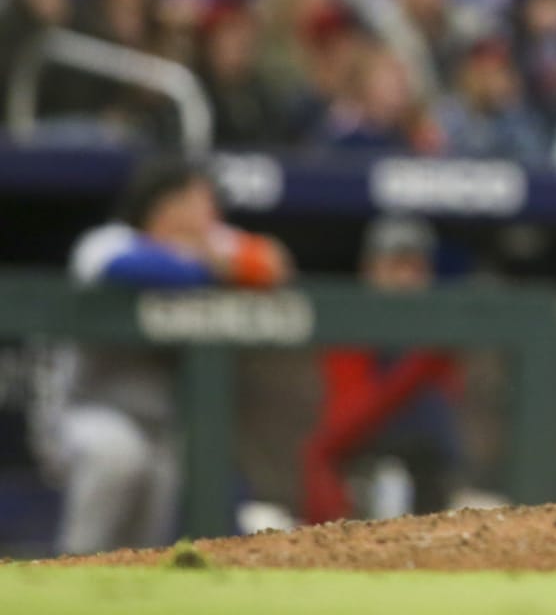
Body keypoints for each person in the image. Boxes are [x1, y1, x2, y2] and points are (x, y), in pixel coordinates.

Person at [42, 157, 292, 554]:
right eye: (198, 200)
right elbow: (129, 268)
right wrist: (210, 266)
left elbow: (273, 264)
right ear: (164, 205)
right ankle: (66, 579)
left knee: (150, 529)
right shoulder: (107, 240)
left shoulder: (213, 242)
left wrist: (213, 258)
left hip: (161, 425)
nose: (210, 212)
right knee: (118, 457)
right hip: (87, 411)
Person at [317, 216, 463, 516]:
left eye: (416, 268)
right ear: (370, 271)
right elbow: (340, 429)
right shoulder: (348, 328)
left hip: (430, 483)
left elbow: (448, 434)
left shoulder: (441, 330)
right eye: (396, 266)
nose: (406, 279)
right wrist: (414, 372)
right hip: (357, 473)